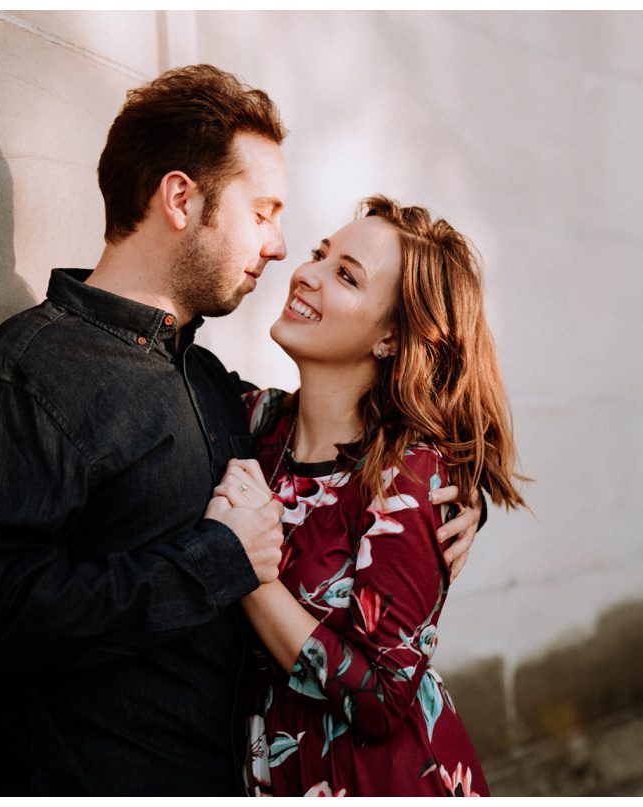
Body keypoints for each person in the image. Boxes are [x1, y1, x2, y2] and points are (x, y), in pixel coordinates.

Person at [0, 65, 482, 796]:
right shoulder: (24, 375)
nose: (280, 249)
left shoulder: (211, 386)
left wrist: (458, 496)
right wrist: (216, 562)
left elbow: (379, 445)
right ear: (182, 198)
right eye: (263, 211)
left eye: (342, 267)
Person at [203, 195, 527, 796]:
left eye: (346, 276)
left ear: (391, 337)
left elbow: (381, 698)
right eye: (320, 255)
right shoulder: (254, 424)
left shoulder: (407, 477)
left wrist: (245, 570)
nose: (307, 273)